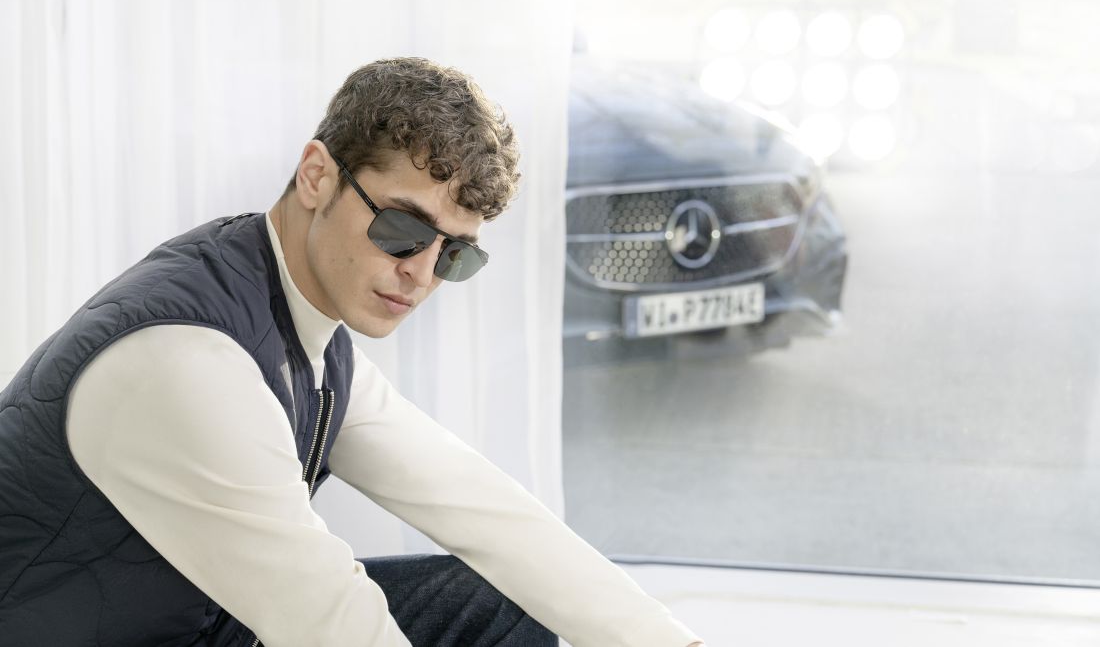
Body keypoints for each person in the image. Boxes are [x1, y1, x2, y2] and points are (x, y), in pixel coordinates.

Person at [0, 57, 704, 647]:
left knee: (506, 599)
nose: (420, 274)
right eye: (402, 228)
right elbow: (332, 622)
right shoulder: (186, 362)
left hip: (199, 627)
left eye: (453, 255)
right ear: (317, 176)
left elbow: (486, 511)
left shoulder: (305, 327)